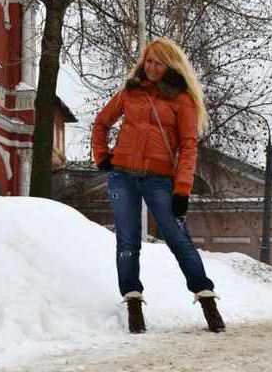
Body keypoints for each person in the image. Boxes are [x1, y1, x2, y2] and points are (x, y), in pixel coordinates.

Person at [91, 37, 225, 334]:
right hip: (122, 176)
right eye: (148, 61)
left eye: (158, 63)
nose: (151, 67)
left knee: (179, 240)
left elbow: (189, 147)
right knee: (127, 241)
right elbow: (101, 123)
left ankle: (206, 298)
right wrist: (102, 156)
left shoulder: (182, 99)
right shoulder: (129, 92)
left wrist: (182, 189)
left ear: (170, 66)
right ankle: (133, 303)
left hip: (160, 179)